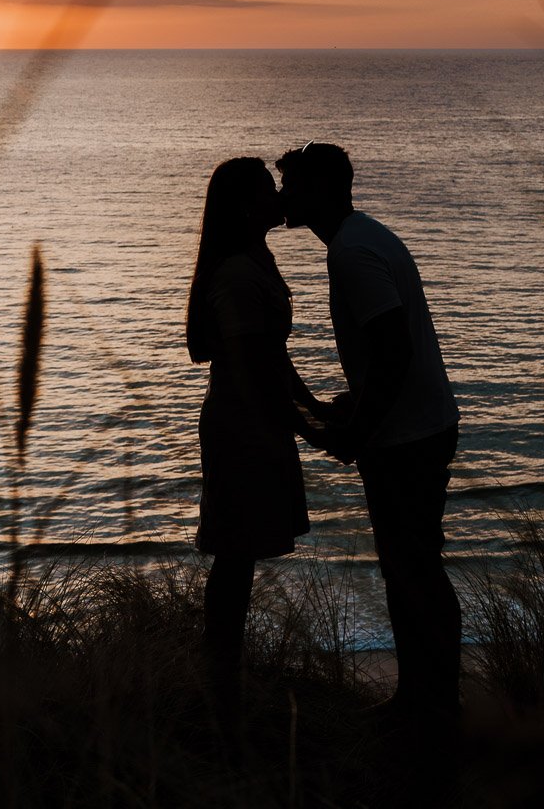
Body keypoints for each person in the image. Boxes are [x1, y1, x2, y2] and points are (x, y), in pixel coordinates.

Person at [275, 141, 462, 720]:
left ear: (323, 191)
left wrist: (358, 431)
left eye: (296, 186)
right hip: (419, 424)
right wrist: (360, 402)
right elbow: (392, 349)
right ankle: (426, 695)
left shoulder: (351, 253)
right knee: (413, 565)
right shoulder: (366, 237)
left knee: (413, 570)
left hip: (406, 437)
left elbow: (394, 347)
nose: (285, 197)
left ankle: (430, 702)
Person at [185, 157, 325, 680]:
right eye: (270, 190)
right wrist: (311, 429)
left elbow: (272, 355)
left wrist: (315, 407)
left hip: (255, 419)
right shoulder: (240, 272)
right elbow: (252, 371)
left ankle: (223, 674)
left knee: (238, 557)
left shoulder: (254, 257)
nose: (279, 198)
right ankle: (221, 676)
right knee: (235, 558)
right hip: (242, 427)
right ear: (247, 206)